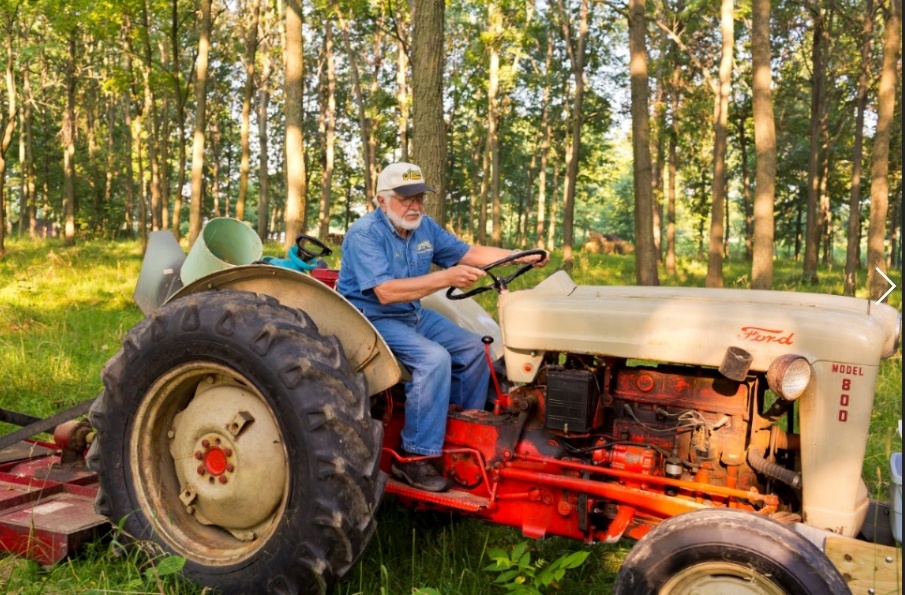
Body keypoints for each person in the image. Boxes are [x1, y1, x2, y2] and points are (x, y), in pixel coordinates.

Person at [337, 162, 548, 492]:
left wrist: (518, 255)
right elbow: (385, 291)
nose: (414, 205)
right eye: (405, 198)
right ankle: (414, 459)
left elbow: (469, 253)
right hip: (370, 318)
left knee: (476, 348)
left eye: (419, 197)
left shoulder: (424, 228)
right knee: (433, 359)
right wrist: (445, 277)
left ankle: (464, 436)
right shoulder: (365, 234)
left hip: (412, 313)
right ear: (381, 200)